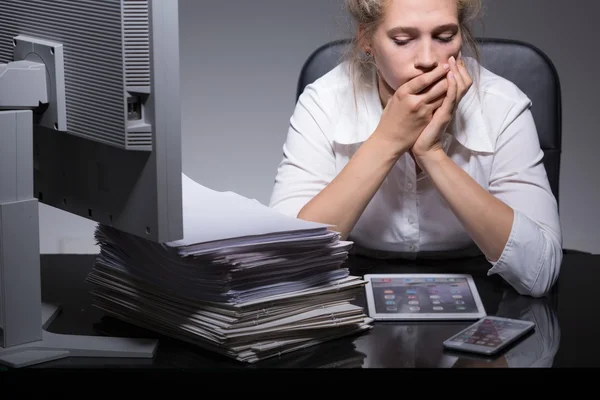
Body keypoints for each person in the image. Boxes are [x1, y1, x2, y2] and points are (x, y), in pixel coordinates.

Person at [268, 0, 562, 298]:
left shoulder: (503, 104)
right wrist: (388, 140)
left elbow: (539, 272)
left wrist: (431, 153)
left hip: (484, 286)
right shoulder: (323, 102)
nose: (427, 59)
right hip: (353, 289)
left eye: (445, 36)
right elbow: (285, 265)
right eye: (403, 40)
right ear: (367, 39)